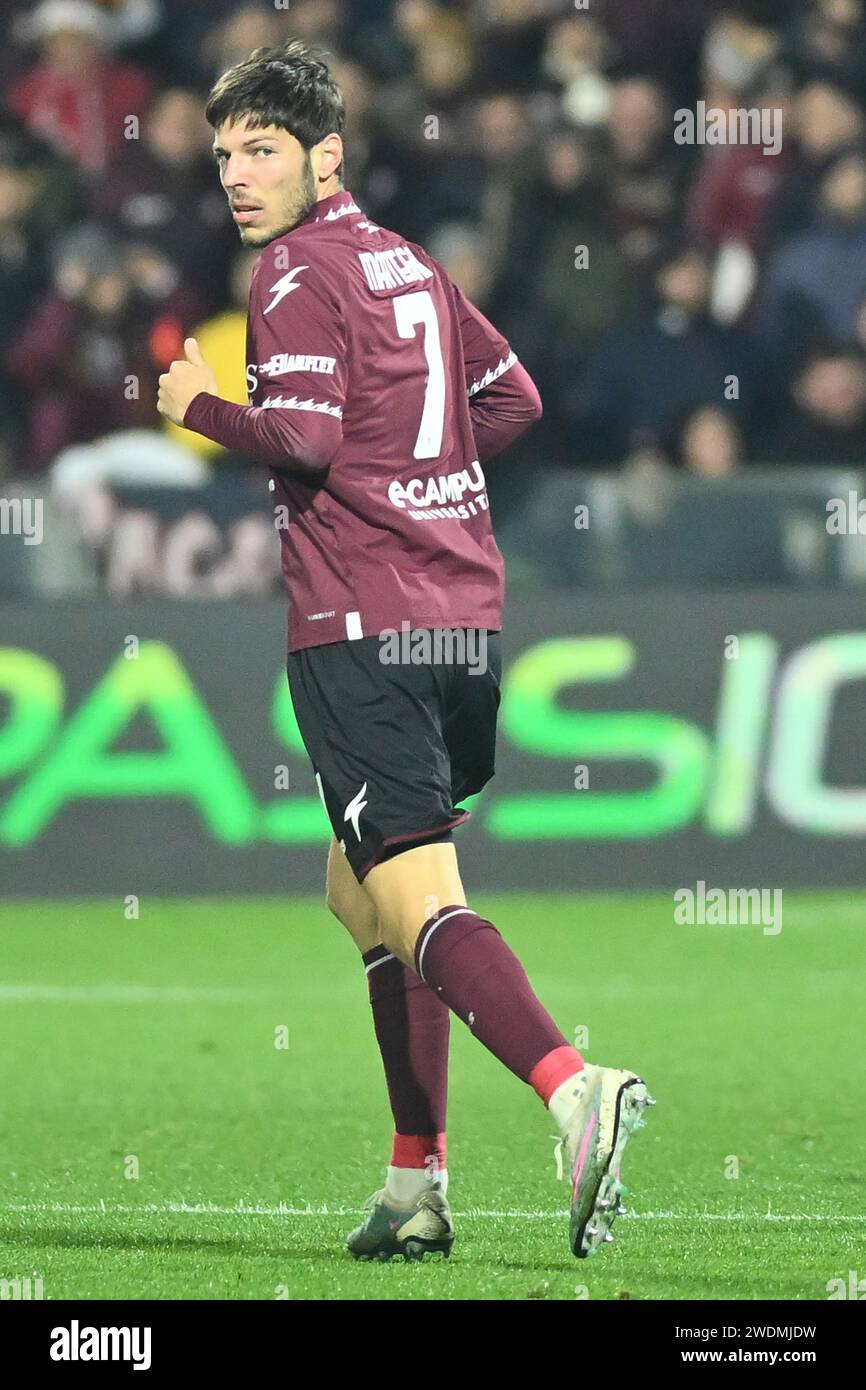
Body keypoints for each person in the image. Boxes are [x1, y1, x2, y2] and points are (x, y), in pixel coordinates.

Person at [156, 39, 653, 1264]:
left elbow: (312, 441)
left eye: (262, 148)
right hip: (462, 620)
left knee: (416, 899)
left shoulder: (288, 270)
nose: (236, 173)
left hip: (360, 625)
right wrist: (417, 483)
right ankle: (412, 1185)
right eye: (223, 153)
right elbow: (514, 398)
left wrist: (196, 409)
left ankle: (570, 1086)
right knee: (361, 891)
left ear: (326, 154)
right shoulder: (413, 263)